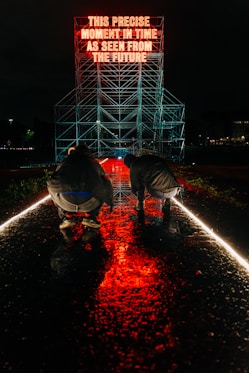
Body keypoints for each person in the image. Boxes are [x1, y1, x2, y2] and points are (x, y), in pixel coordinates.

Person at [47, 144, 113, 230]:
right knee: (105, 184)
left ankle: (66, 217)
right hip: (89, 203)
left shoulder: (65, 162)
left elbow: (56, 177)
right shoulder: (93, 162)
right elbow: (103, 179)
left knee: (53, 186)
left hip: (65, 202)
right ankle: (90, 217)